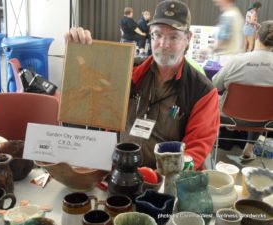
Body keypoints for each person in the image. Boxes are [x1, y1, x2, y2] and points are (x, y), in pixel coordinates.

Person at [65, 0, 220, 170]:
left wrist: (158, 180)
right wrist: (77, 51)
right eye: (158, 34)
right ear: (151, 35)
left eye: (173, 37)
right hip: (118, 171)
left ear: (188, 39)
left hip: (164, 184)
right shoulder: (127, 70)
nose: (164, 44)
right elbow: (85, 91)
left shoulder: (202, 91)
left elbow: (194, 151)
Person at [212, 20, 273, 161]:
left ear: (257, 35)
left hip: (230, 117)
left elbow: (214, 85)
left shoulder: (236, 61)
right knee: (262, 107)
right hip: (268, 120)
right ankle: (248, 149)